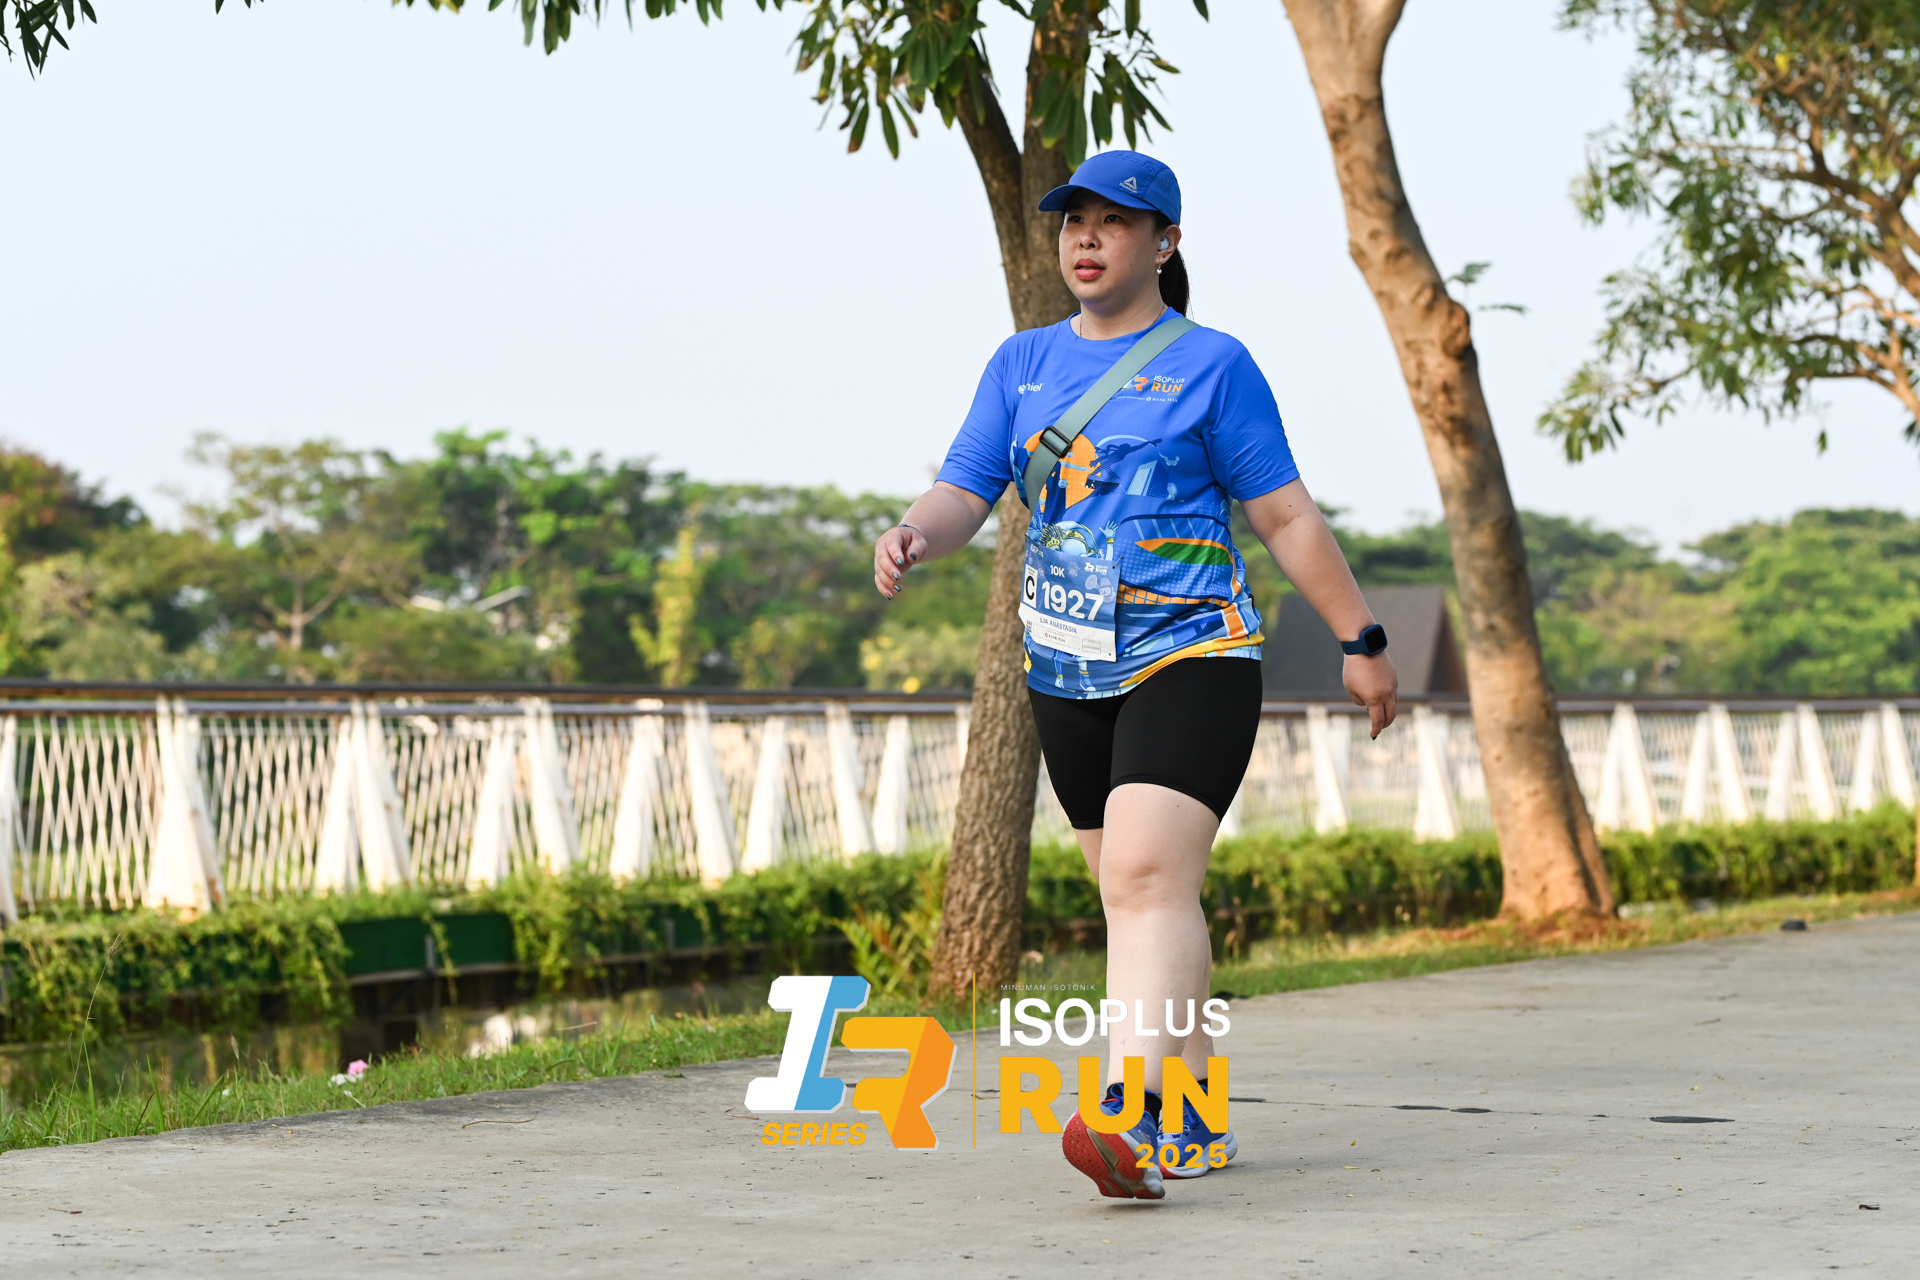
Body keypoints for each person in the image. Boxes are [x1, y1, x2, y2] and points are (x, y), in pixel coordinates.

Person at [870, 150, 1399, 1200]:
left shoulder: (1214, 363)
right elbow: (965, 489)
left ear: (1165, 242)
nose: (1087, 237)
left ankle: (1127, 1114)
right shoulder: (1020, 363)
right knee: (1146, 899)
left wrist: (1362, 640)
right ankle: (1195, 1116)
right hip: (1066, 669)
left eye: (1115, 221)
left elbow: (1284, 513)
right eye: (1075, 220)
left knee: (1146, 882)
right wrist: (914, 531)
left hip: (1192, 653)